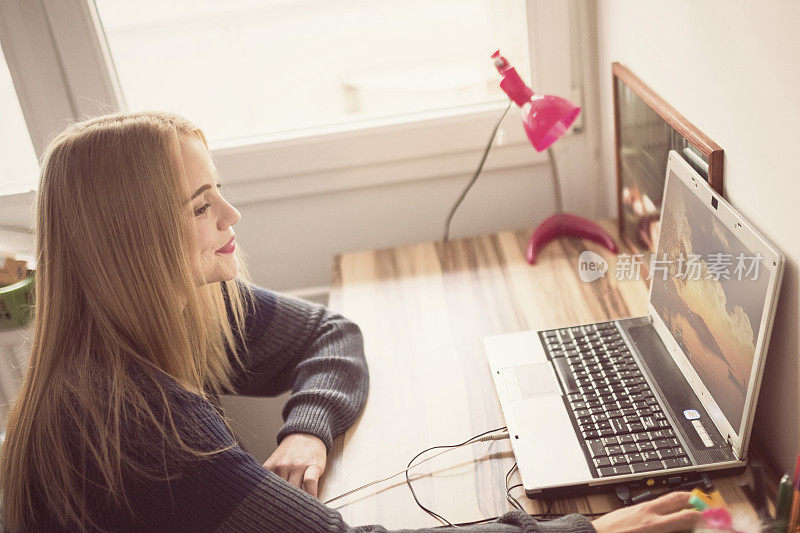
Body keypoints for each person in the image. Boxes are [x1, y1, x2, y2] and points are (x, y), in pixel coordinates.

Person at [0, 112, 702, 532]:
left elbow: (330, 334)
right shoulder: (145, 433)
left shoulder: (174, 310)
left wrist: (309, 424)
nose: (231, 217)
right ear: (134, 237)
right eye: (200, 205)